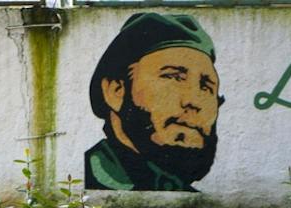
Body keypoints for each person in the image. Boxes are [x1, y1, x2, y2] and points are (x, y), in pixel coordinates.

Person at [84, 13, 221, 193]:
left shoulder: (186, 196)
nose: (194, 101)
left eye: (206, 87)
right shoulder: (91, 185)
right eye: (173, 77)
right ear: (116, 91)